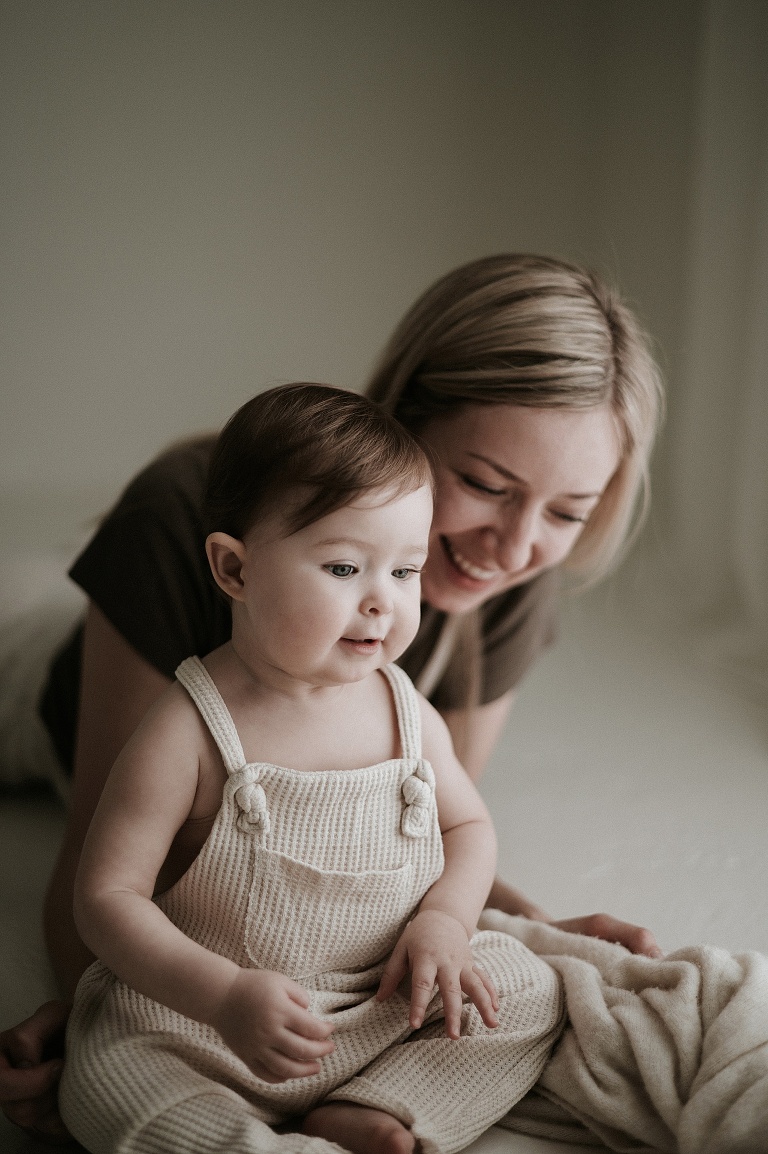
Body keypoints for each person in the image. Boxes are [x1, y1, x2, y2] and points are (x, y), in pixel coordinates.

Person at [0, 253, 663, 1142]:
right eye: (485, 486)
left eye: (566, 512)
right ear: (402, 418)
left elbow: (415, 835)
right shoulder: (180, 522)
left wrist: (526, 930)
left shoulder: (505, 576)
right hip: (47, 679)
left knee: (522, 988)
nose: (513, 547)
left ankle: (369, 1115)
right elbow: (105, 877)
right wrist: (96, 1026)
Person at [58, 383, 564, 1154]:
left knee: (529, 988)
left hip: (376, 1000)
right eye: (342, 568)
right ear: (234, 569)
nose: (381, 604)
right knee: (110, 1087)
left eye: (404, 572)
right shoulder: (187, 728)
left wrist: (445, 922)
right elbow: (105, 897)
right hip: (201, 1026)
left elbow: (468, 826)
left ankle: (380, 1105)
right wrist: (221, 994)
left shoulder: (405, 713)